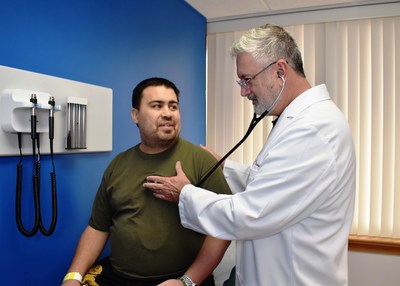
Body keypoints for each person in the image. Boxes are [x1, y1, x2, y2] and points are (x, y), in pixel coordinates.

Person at [144, 24, 356, 286]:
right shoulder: (299, 120)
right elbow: (273, 185)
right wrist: (225, 168)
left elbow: (251, 213)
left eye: (247, 80)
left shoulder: (312, 129)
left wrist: (185, 194)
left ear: (279, 71)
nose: (244, 91)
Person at [62, 77, 231, 286]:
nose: (168, 113)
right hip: (119, 277)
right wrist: (73, 276)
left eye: (173, 106)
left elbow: (224, 227)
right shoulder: (119, 164)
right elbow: (98, 226)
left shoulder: (201, 161)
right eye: (157, 106)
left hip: (181, 279)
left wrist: (187, 281)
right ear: (136, 115)